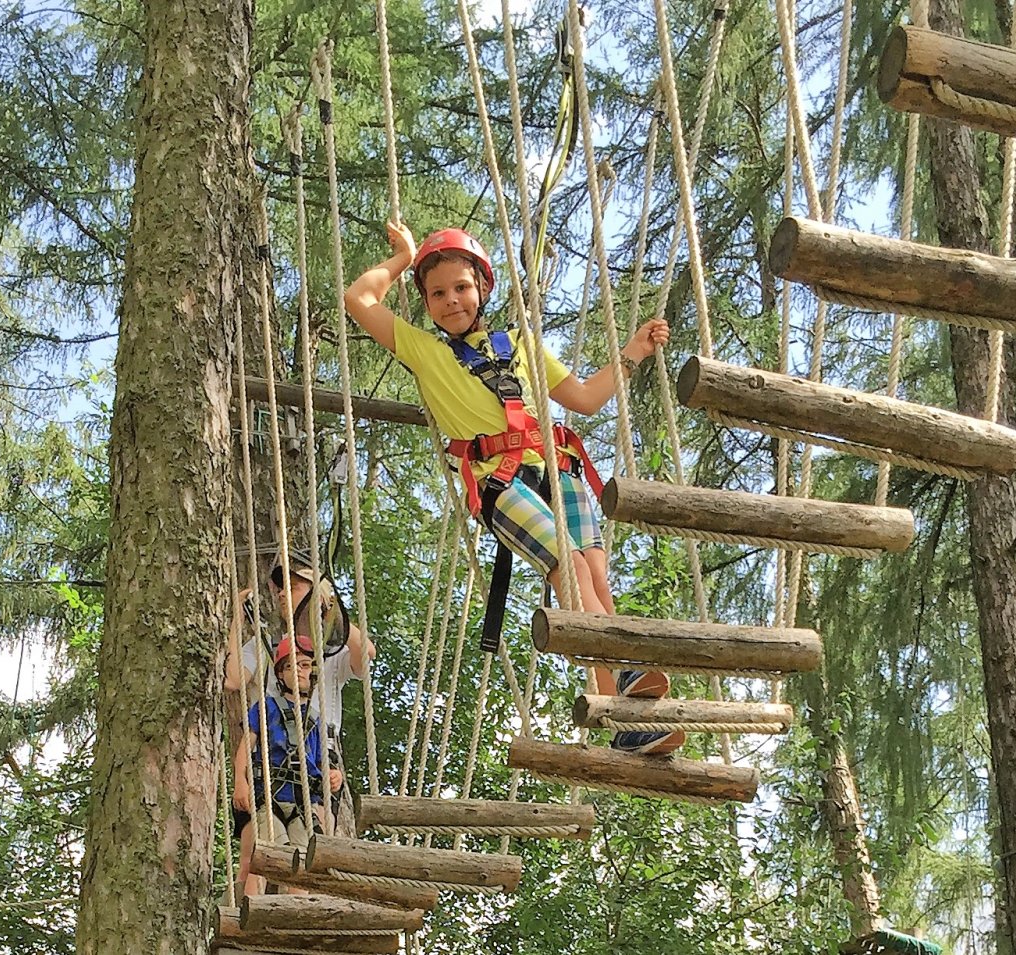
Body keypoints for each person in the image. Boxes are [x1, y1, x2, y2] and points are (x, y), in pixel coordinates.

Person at [341, 220, 680, 756]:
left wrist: (633, 351)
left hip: (555, 466)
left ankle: (624, 720)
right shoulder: (426, 352)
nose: (451, 300)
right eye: (437, 293)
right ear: (426, 304)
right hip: (499, 482)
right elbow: (359, 297)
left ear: (481, 290)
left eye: (460, 288)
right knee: (567, 566)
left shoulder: (520, 345)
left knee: (594, 579)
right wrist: (404, 258)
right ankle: (626, 663)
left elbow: (586, 399)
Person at [226, 552, 374, 834]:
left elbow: (365, 653)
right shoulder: (267, 645)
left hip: (317, 760)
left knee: (312, 846)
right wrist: (236, 619)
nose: (282, 594)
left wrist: (330, 610)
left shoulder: (331, 650)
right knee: (260, 855)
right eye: (281, 588)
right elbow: (232, 679)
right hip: (270, 764)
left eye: (292, 588)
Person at [232, 635, 343, 899]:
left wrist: (333, 776)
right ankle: (246, 916)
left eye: (305, 666)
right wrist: (240, 781)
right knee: (264, 857)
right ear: (280, 674)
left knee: (302, 864)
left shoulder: (314, 721)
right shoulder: (266, 708)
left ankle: (297, 918)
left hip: (301, 805)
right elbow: (246, 747)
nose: (300, 672)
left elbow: (321, 763)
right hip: (270, 797)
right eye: (292, 666)